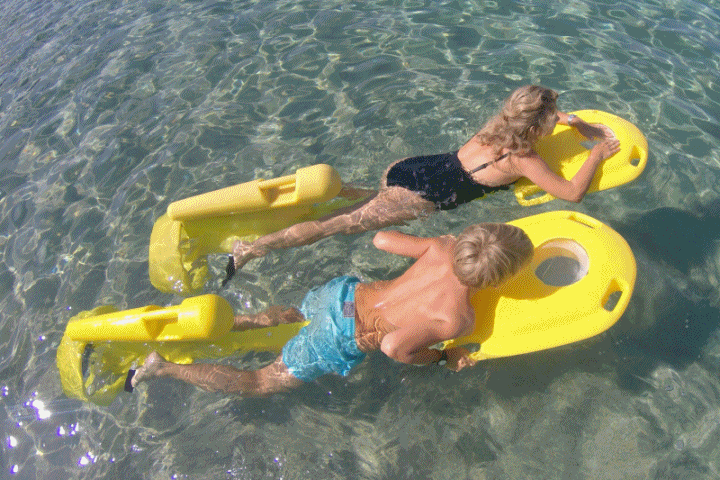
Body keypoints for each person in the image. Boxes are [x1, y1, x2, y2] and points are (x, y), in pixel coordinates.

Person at [227, 85, 619, 277]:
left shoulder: (499, 125)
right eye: (553, 117)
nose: (558, 118)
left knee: (372, 203)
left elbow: (536, 115)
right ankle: (252, 248)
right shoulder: (524, 159)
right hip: (422, 194)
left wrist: (573, 121)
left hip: (413, 168)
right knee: (334, 226)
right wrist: (596, 154)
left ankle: (342, 195)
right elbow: (572, 193)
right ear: (534, 129)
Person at [130, 222, 534, 396]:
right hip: (340, 337)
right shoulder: (457, 317)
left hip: (340, 295)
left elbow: (381, 239)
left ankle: (248, 320)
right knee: (258, 383)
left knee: (296, 318)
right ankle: (161, 367)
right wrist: (444, 356)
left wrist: (441, 241)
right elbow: (394, 347)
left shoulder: (443, 247)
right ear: (496, 281)